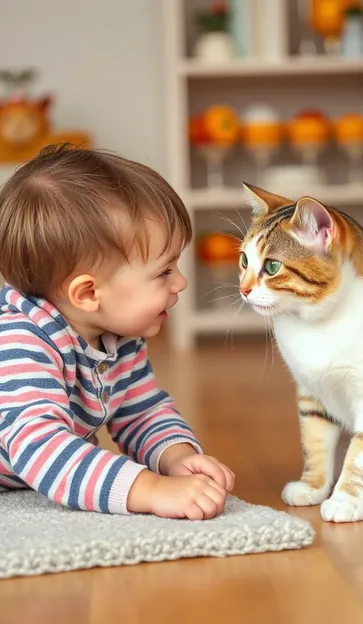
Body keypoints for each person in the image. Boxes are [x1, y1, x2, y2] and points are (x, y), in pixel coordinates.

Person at [0, 144, 234, 520]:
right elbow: (40, 448)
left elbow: (141, 412)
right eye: (163, 272)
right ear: (89, 293)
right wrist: (151, 489)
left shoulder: (119, 338)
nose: (181, 282)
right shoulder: (20, 343)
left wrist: (177, 457)